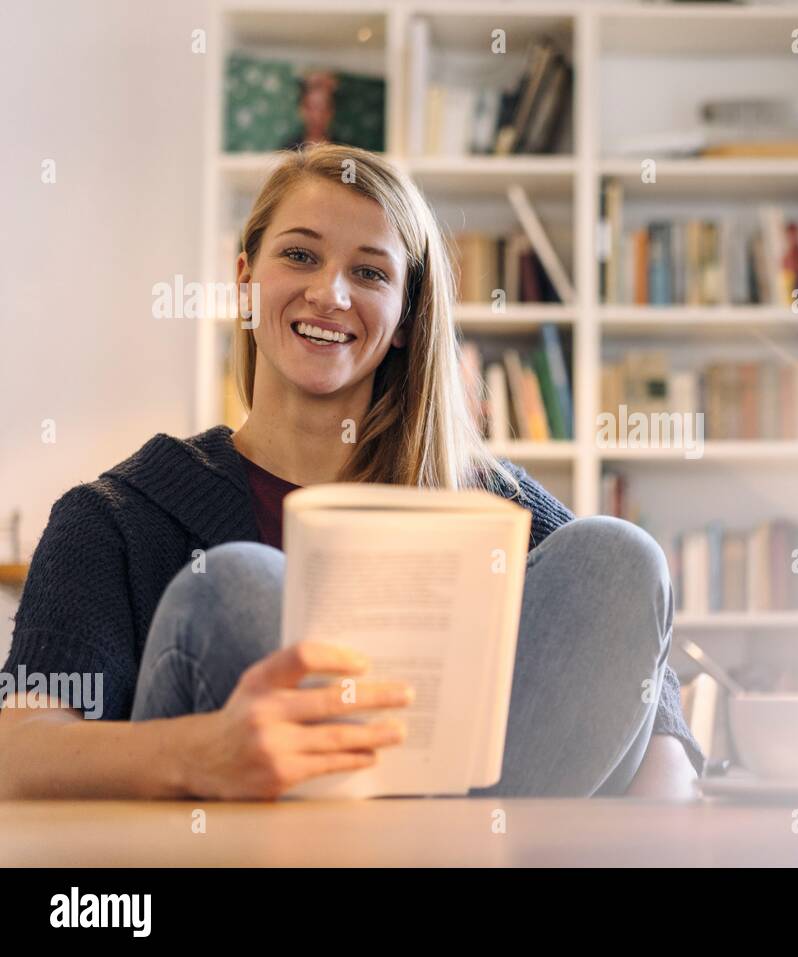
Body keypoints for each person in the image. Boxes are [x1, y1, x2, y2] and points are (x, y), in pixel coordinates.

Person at [0, 143, 704, 801]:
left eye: (369, 271)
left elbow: (657, 728)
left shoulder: (487, 500)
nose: (330, 293)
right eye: (301, 255)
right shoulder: (119, 514)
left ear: (403, 316)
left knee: (620, 557)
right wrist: (199, 751)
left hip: (464, 843)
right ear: (245, 281)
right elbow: (17, 749)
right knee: (241, 583)